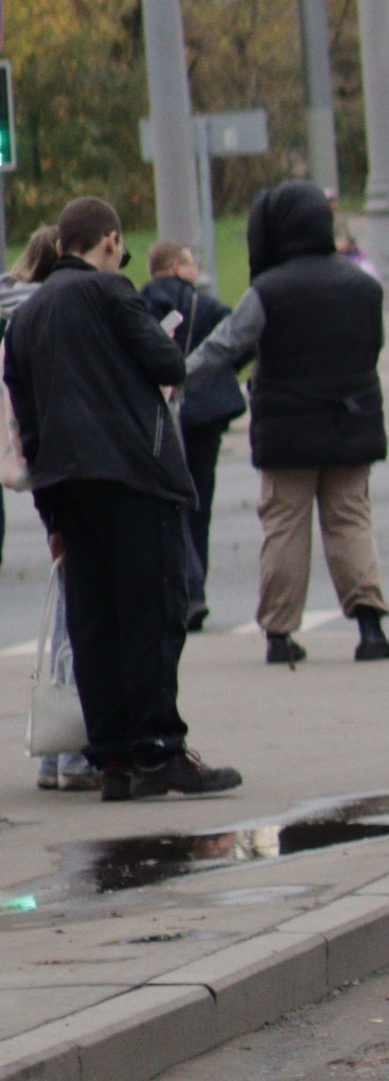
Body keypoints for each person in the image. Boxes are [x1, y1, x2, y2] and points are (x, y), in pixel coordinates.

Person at [0, 195, 240, 801]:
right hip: (133, 475)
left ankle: (111, 760)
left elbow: (28, 427)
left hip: (66, 488)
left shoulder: (27, 318)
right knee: (151, 614)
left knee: (95, 622)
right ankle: (158, 748)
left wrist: (50, 514)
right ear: (109, 241)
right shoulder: (111, 293)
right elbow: (167, 363)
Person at [180, 180, 389, 666]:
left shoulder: (269, 291)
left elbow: (226, 344)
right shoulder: (363, 285)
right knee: (350, 521)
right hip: (352, 420)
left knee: (285, 527)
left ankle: (280, 633)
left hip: (286, 428)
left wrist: (177, 373)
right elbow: (373, 346)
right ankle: (370, 627)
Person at [140, 238, 246, 634]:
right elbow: (239, 339)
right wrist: (222, 376)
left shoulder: (140, 305)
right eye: (189, 263)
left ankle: (185, 591)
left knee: (172, 503)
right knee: (200, 502)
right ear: (174, 267)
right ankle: (196, 589)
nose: (195, 270)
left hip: (162, 413)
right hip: (208, 411)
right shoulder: (206, 305)